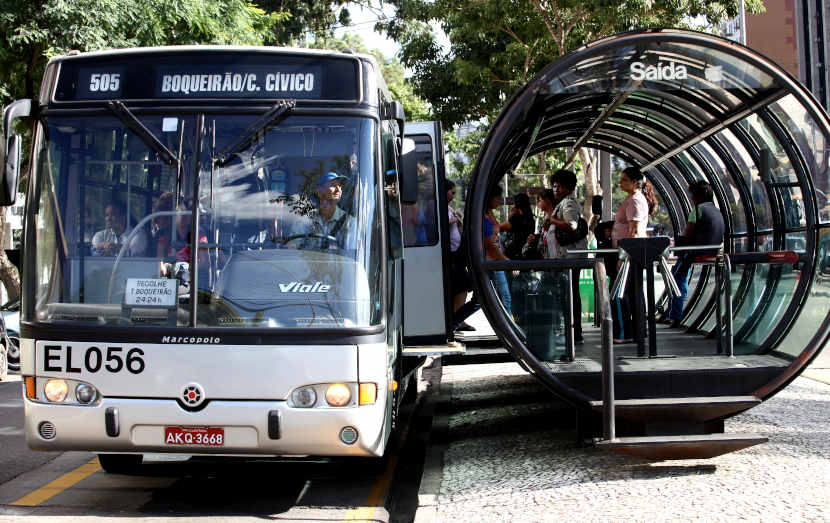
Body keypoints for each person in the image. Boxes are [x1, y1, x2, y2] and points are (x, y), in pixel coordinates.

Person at [668, 180, 725, 328]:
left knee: (676, 276)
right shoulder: (717, 210)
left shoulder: (698, 210)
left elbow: (688, 233)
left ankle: (675, 315)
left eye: (692, 195)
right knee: (680, 274)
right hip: (713, 249)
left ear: (697, 196)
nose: (691, 199)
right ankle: (680, 309)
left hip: (696, 250)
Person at [611, 165, 657, 344]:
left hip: (630, 255)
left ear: (635, 183)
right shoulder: (632, 199)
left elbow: (634, 232)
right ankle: (637, 332)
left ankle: (629, 332)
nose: (620, 183)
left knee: (624, 293)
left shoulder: (636, 201)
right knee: (632, 292)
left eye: (624, 180)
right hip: (630, 254)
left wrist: (623, 258)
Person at [548, 169, 587, 345]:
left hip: (569, 258)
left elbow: (572, 225)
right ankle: (571, 330)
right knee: (568, 294)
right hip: (565, 257)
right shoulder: (564, 202)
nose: (554, 190)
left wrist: (552, 221)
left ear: (565, 187)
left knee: (570, 294)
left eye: (557, 186)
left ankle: (574, 331)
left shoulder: (568, 203)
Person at [287, 172, 356, 251]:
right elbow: (292, 247)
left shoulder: (349, 222)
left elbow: (351, 256)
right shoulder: (305, 219)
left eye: (340, 186)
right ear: (319, 191)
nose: (338, 190)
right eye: (333, 185)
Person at [447, 180, 478, 332]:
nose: (453, 196)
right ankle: (457, 319)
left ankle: (457, 318)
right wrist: (452, 219)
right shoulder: (438, 208)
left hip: (457, 253)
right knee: (463, 284)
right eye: (451, 192)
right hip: (451, 256)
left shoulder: (448, 207)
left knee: (461, 286)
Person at [483, 185, 511, 317]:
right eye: (498, 198)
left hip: (495, 259)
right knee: (505, 297)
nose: (500, 201)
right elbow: (491, 245)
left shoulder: (489, 214)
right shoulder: (485, 218)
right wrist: (504, 260)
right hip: (493, 260)